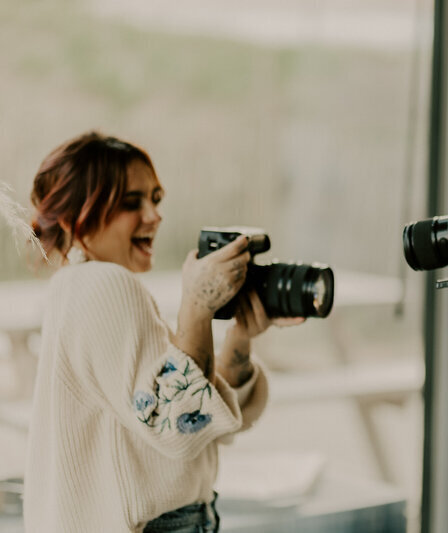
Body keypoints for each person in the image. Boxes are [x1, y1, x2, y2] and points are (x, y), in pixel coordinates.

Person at [23, 131, 301, 532]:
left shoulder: (76, 287)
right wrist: (197, 306)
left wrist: (238, 338)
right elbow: (178, 426)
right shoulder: (104, 285)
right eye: (131, 202)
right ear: (73, 216)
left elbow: (184, 423)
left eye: (155, 199)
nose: (154, 215)